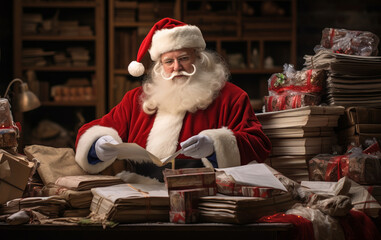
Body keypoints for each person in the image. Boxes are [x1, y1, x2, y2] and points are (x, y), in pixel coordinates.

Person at [74, 18, 271, 181]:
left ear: (199, 58)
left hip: (205, 195)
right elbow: (91, 130)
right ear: (160, 66)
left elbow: (258, 144)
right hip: (140, 196)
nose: (177, 67)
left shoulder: (232, 97)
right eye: (169, 61)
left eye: (184, 58)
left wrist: (215, 146)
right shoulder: (136, 100)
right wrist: (98, 147)